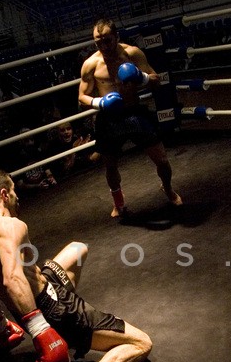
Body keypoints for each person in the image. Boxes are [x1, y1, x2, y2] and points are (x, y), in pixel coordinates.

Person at [0, 168, 152, 362]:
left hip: (42, 290)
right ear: (3, 194)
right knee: (141, 344)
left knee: (77, 249)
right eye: (13, 191)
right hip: (52, 308)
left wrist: (0, 328)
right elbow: (11, 278)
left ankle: (70, 331)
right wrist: (41, 329)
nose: (16, 196)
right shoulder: (11, 225)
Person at [78, 18, 182, 218]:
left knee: (161, 159)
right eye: (98, 42)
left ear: (116, 36)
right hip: (108, 118)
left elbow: (156, 81)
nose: (103, 46)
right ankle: (119, 202)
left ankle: (168, 188)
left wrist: (140, 77)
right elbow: (81, 98)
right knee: (110, 165)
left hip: (134, 112)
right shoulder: (90, 65)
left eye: (107, 41)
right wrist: (100, 102)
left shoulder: (133, 54)